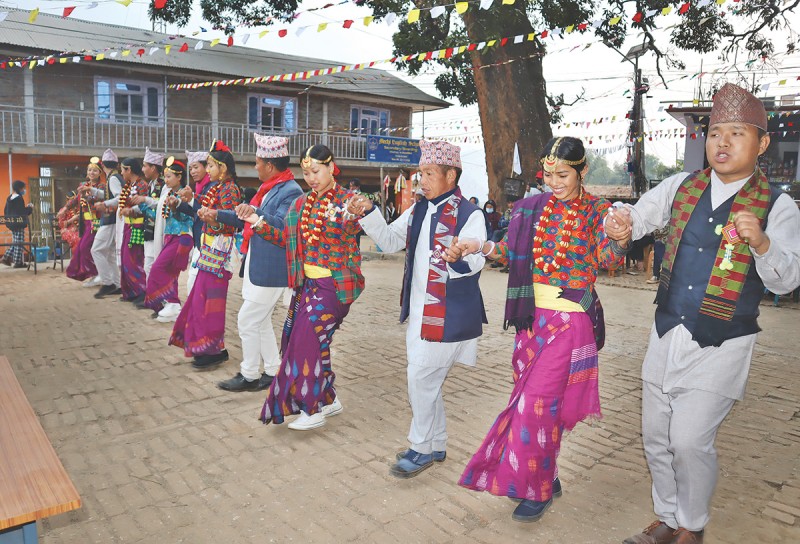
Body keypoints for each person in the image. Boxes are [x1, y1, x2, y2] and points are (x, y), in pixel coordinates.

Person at [605, 83, 800, 544]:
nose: (723, 143)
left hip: (723, 339)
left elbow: (787, 280)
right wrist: (623, 223)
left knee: (689, 439)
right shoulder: (681, 185)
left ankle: (692, 525)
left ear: (762, 143)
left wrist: (764, 243)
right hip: (667, 328)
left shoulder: (778, 206)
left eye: (737, 133)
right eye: (715, 133)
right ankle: (667, 517)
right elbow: (639, 218)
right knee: (655, 435)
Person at [455, 136, 620, 522]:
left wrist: (621, 236)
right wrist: (477, 246)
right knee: (541, 404)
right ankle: (548, 471)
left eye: (563, 174)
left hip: (570, 323)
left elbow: (608, 258)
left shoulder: (599, 210)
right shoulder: (530, 208)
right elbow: (510, 253)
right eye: (548, 174)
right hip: (530, 323)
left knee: (535, 405)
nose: (554, 182)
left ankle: (537, 487)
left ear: (582, 172)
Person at [348, 140, 488, 478]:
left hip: (449, 316)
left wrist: (459, 257)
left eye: (428, 173)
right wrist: (368, 212)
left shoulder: (471, 215)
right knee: (427, 380)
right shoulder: (419, 209)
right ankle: (436, 442)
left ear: (451, 175)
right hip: (419, 313)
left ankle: (421, 446)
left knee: (421, 378)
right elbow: (391, 241)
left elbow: (477, 260)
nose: (421, 180)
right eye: (420, 173)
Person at [245, 144, 363, 431]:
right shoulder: (301, 204)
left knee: (305, 340)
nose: (311, 178)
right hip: (307, 286)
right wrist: (256, 220)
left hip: (334, 286)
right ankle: (329, 398)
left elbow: (349, 225)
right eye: (307, 172)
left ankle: (312, 408)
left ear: (331, 167)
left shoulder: (347, 200)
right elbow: (287, 237)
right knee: (310, 344)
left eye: (316, 171)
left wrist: (350, 214)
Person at [216, 134, 303, 392]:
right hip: (259, 265)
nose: (255, 167)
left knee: (246, 320)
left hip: (273, 270)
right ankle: (273, 370)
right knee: (260, 321)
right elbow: (246, 217)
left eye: (257, 162)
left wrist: (254, 212)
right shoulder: (272, 188)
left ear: (270, 165)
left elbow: (280, 226)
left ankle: (250, 374)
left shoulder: (291, 191)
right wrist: (217, 215)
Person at [170, 140, 242, 369]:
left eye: (211, 165)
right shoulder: (216, 188)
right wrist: (195, 203)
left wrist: (214, 218)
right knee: (200, 299)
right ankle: (205, 346)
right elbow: (206, 208)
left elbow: (234, 221)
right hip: (209, 251)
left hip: (219, 254)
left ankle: (214, 348)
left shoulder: (230, 189)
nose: (208, 169)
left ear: (223, 168)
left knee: (211, 302)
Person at [141, 157, 194, 322]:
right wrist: (143, 207)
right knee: (171, 273)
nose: (166, 179)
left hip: (181, 237)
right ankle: (170, 306)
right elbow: (161, 216)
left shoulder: (185, 194)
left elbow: (188, 219)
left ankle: (173, 303)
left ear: (179, 177)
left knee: (157, 268)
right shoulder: (168, 193)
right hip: (170, 237)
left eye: (170, 176)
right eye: (166, 176)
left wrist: (176, 208)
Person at [177, 149, 212, 295]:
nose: (192, 171)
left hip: (209, 242)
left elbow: (206, 212)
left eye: (196, 167)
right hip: (200, 240)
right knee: (194, 282)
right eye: (190, 168)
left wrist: (191, 199)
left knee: (194, 281)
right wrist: (177, 204)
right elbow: (195, 212)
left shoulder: (212, 187)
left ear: (207, 167)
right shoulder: (200, 187)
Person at [63, 158, 103, 283]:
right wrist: (65, 208)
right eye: (90, 170)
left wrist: (89, 196)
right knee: (82, 248)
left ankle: (96, 273)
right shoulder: (82, 186)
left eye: (95, 170)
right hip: (85, 223)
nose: (92, 172)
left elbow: (98, 200)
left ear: (100, 173)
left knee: (86, 248)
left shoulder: (102, 187)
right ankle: (94, 274)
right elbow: (75, 200)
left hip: (96, 221)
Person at [91, 149, 124, 298]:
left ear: (103, 165)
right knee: (110, 254)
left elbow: (119, 197)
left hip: (110, 219)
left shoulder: (113, 178)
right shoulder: (113, 177)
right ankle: (117, 284)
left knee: (96, 250)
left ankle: (107, 282)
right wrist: (92, 190)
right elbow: (110, 194)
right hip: (111, 219)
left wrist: (103, 204)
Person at [117, 157, 150, 304]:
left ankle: (141, 291)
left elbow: (144, 207)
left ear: (129, 170)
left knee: (134, 260)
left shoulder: (142, 185)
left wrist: (129, 211)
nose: (122, 173)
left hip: (137, 225)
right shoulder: (130, 185)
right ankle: (130, 292)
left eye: (123, 169)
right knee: (125, 259)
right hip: (129, 226)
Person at [136, 147, 165, 279]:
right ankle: (151, 296)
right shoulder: (151, 184)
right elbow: (148, 205)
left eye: (144, 166)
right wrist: (133, 209)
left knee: (153, 266)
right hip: (149, 230)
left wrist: (144, 199)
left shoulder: (163, 185)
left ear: (153, 168)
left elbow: (161, 202)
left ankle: (155, 296)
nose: (142, 169)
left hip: (158, 230)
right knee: (148, 265)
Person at [2, 180, 33, 268]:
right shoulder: (19, 199)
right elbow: (22, 212)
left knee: (16, 241)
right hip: (18, 223)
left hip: (11, 224)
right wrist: (29, 208)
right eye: (23, 188)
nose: (24, 190)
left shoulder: (10, 198)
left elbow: (6, 211)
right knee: (19, 242)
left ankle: (6, 257)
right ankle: (18, 262)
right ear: (19, 188)